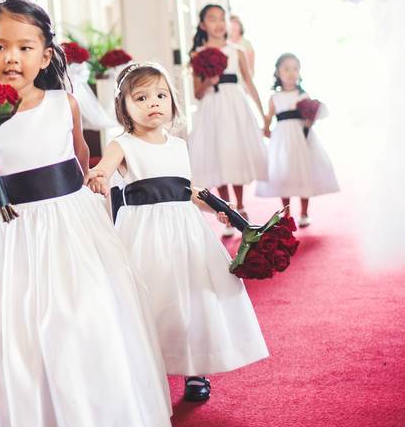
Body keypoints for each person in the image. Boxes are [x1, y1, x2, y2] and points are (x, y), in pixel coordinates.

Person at [0, 0, 175, 427]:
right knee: (21, 341)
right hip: (12, 237)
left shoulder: (65, 103)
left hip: (71, 229)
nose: (12, 58)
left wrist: (88, 199)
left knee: (83, 326)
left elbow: (80, 161)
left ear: (45, 56)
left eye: (25, 46)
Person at [88, 62, 269, 402]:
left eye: (160, 95)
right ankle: (145, 370)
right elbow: (104, 168)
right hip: (144, 234)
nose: (152, 102)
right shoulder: (123, 144)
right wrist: (98, 175)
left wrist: (219, 208)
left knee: (191, 297)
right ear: (123, 107)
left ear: (172, 100)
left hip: (185, 233)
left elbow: (188, 190)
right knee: (150, 300)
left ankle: (193, 369)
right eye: (140, 97)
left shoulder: (178, 145)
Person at [188, 4, 268, 236]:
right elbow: (197, 93)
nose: (218, 23)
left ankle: (241, 206)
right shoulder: (198, 54)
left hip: (235, 107)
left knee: (235, 154)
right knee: (218, 155)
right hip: (212, 109)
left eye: (222, 18)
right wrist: (209, 81)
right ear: (203, 25)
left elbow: (249, 84)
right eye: (212, 19)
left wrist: (263, 115)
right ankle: (227, 209)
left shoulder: (237, 51)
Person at [256, 52, 339, 226]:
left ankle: (304, 212)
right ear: (278, 73)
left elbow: (309, 116)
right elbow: (269, 119)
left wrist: (310, 120)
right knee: (284, 173)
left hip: (301, 138)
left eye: (295, 68)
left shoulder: (303, 96)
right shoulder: (275, 98)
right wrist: (266, 130)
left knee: (303, 172)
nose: (291, 72)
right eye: (286, 69)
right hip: (282, 140)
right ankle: (286, 214)